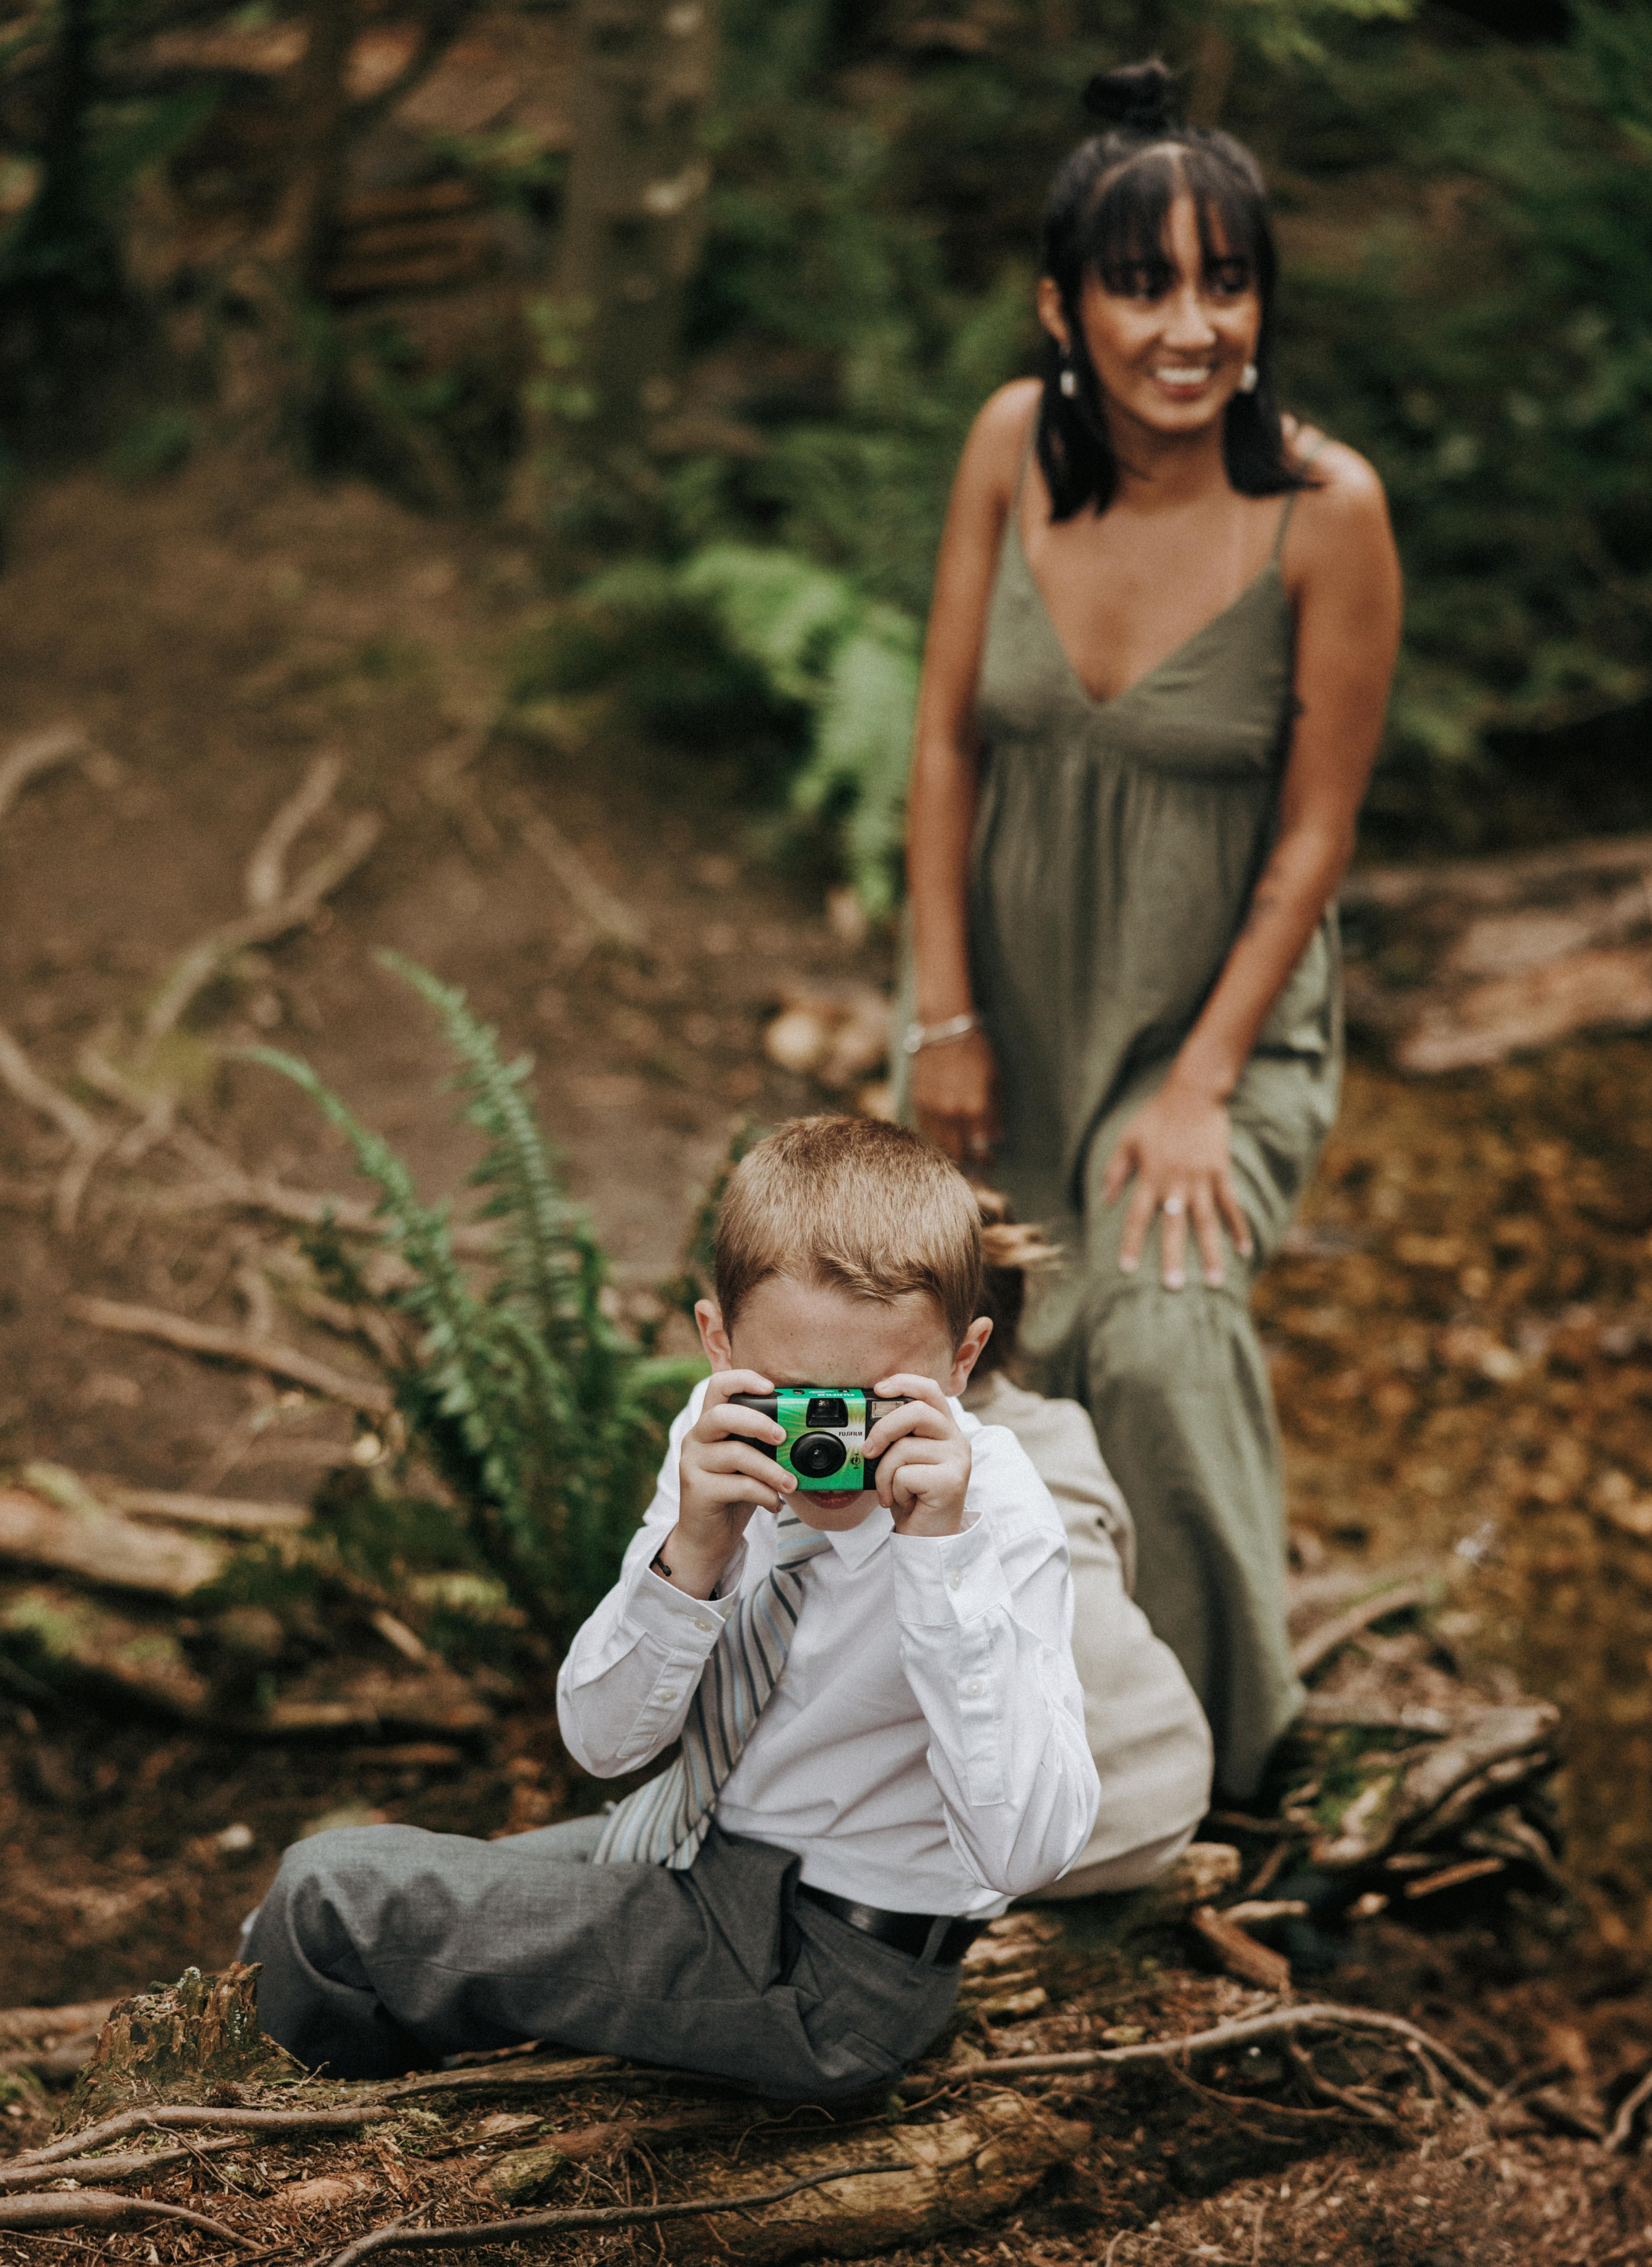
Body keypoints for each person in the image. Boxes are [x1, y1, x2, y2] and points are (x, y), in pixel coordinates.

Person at [901, 60, 1402, 1800]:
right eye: (1142, 284)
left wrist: (1197, 1085)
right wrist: (942, 1016)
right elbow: (944, 741)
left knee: (1162, 1332)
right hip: (1001, 1003)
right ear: (1063, 309)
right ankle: (992, 1746)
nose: (1191, 326)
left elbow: (1318, 829)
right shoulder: (1004, 450)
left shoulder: (1326, 508)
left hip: (1214, 1021)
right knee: (971, 1349)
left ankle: (1224, 1776)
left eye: (1225, 280)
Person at [243, 1116, 1114, 2100]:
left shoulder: (996, 1515)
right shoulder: (719, 1441)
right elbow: (602, 1744)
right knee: (326, 1911)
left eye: (874, 1403)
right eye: (796, 1400)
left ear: (963, 1361)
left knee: (333, 1899)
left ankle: (274, 2147)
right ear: (717, 1341)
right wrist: (694, 1552)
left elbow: (1027, 1850)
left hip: (834, 1965)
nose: (826, 1447)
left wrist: (940, 1564)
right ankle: (339, 2118)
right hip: (693, 1853)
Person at [963, 1194, 1212, 1898]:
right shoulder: (1063, 1427)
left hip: (1037, 1843)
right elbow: (1115, 1573)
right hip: (1164, 1788)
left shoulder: (873, 1469)